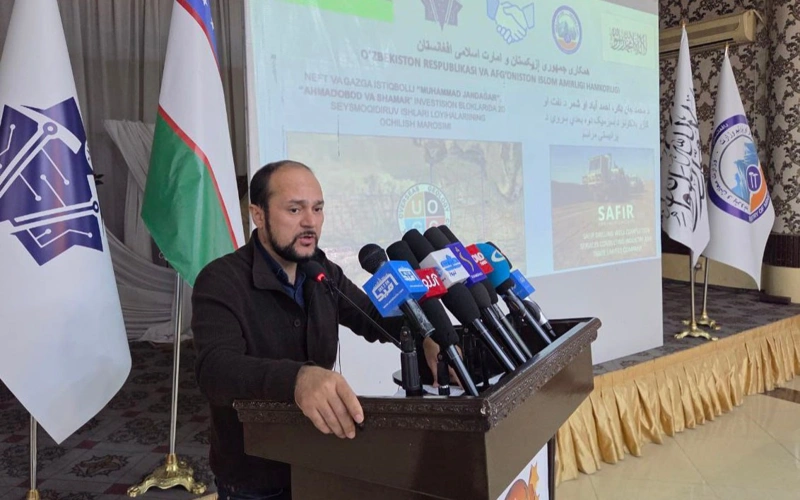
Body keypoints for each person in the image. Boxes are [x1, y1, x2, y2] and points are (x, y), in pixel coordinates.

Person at [191, 160, 445, 500]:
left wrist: (426, 335)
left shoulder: (321, 270)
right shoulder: (220, 280)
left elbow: (371, 316)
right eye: (295, 209)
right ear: (258, 215)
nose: (310, 222)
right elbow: (215, 371)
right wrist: (298, 379)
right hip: (256, 475)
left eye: (318, 209)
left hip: (321, 460)